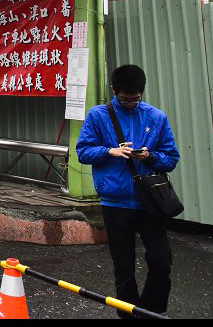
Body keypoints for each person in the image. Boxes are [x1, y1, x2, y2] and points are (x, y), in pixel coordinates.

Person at [76, 65, 179, 318]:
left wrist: (150, 156)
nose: (131, 103)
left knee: (161, 261)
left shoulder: (156, 117)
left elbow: (172, 158)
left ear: (142, 92)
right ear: (114, 91)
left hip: (150, 202)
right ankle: (128, 313)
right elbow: (82, 151)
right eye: (125, 99)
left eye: (136, 99)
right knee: (123, 266)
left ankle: (151, 311)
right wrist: (109, 151)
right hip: (115, 201)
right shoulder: (99, 115)